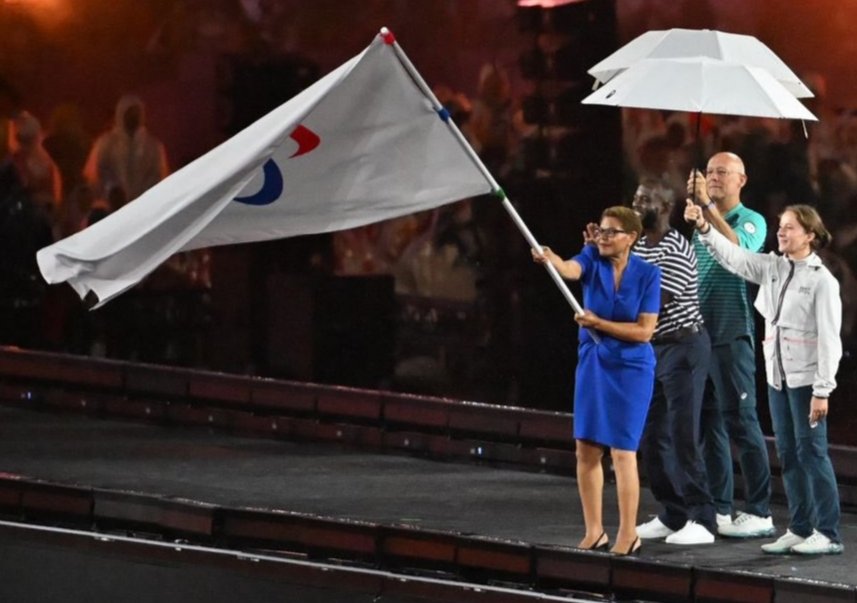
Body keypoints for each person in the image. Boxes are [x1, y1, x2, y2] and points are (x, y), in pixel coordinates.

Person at [685, 202, 844, 555]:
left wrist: (822, 390)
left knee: (813, 453)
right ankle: (800, 527)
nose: (781, 232)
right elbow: (736, 257)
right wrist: (706, 229)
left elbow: (830, 340)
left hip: (807, 384)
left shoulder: (822, 282)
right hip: (778, 381)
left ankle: (829, 533)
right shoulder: (773, 267)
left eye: (789, 227)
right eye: (780, 226)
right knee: (788, 453)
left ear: (810, 236)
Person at [532, 206, 660, 556]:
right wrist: (552, 259)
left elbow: (644, 331)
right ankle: (594, 531)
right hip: (594, 365)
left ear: (631, 238)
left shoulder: (649, 274)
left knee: (622, 450)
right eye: (601, 231)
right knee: (586, 448)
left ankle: (628, 533)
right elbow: (570, 269)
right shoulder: (592, 257)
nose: (602, 237)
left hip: (632, 369)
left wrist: (599, 324)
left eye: (611, 232)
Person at [686, 152, 775, 538]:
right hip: (699, 336)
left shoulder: (752, 220)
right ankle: (719, 508)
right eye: (709, 172)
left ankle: (759, 510)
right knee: (708, 426)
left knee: (742, 424)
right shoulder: (697, 224)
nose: (713, 177)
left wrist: (706, 207)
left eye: (722, 172)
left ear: (742, 179)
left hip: (732, 333)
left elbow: (740, 252)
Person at [631, 178, 716, 545]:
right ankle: (673, 511)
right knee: (651, 436)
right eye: (635, 197)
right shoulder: (635, 247)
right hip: (653, 349)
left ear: (665, 208)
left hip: (683, 347)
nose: (637, 204)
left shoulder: (677, 248)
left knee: (683, 433)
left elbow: (654, 300)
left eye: (645, 199)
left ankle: (703, 517)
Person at [84, 94, 169, 204]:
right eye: (129, 113)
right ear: (121, 114)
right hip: (112, 208)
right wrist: (112, 190)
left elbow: (158, 176)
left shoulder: (153, 147)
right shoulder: (106, 144)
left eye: (136, 113)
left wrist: (144, 194)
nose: (133, 117)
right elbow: (96, 174)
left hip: (145, 206)